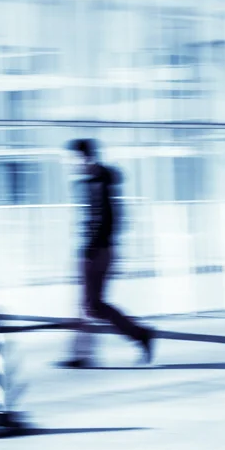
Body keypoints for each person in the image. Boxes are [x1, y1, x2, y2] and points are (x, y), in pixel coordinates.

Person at [61, 138, 155, 368]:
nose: (70, 163)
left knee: (92, 304)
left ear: (84, 156)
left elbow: (104, 218)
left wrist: (92, 247)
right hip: (99, 248)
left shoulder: (98, 182)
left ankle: (138, 334)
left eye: (72, 158)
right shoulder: (96, 181)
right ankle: (86, 353)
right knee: (90, 304)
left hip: (98, 250)